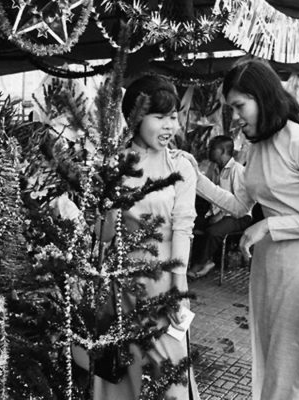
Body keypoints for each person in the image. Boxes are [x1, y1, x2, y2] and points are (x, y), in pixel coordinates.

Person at [183, 59, 299, 400]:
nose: (236, 116)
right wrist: (196, 178)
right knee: (270, 351)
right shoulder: (254, 147)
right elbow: (241, 205)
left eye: (240, 106)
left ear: (262, 96)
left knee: (297, 357)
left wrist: (271, 226)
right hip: (267, 266)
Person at [94, 75, 200, 400]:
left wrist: (178, 290)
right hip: (123, 288)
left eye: (173, 116)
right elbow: (104, 236)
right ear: (136, 117)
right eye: (160, 116)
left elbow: (184, 228)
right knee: (124, 374)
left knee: (172, 380)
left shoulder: (180, 165)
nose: (170, 125)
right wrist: (108, 204)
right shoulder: (115, 164)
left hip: (164, 286)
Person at [188, 135, 252, 278]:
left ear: (223, 151)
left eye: (212, 148)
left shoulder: (237, 170)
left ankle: (201, 264)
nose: (209, 150)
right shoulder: (214, 169)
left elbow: (242, 203)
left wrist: (221, 215)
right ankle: (206, 260)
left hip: (239, 216)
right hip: (217, 213)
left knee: (214, 232)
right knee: (191, 224)